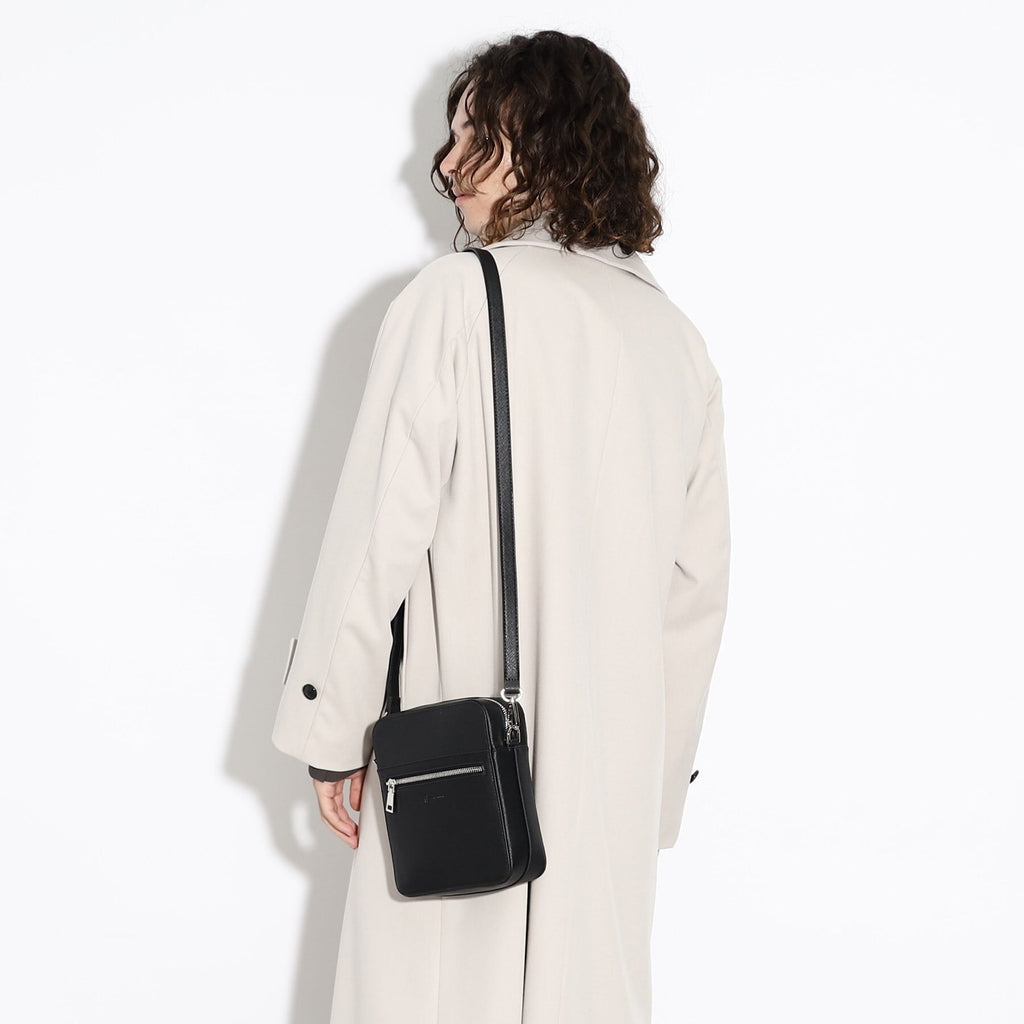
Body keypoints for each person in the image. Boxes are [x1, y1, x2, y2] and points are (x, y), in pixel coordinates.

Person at [271, 29, 730, 1024]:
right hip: (605, 784)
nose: (444, 165)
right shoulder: (673, 338)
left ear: (543, 141)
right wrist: (651, 791)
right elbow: (693, 601)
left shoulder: (457, 297)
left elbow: (375, 535)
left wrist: (330, 726)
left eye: (472, 134)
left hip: (465, 765)